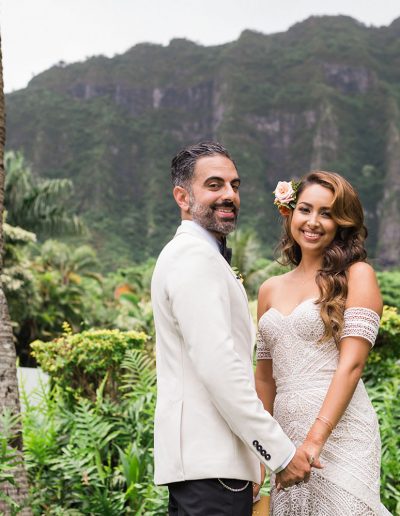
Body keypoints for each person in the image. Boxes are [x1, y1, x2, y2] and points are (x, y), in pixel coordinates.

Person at [151, 142, 319, 516]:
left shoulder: (201, 256)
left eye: (235, 185)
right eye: (214, 185)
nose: (229, 195)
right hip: (211, 470)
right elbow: (221, 368)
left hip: (207, 469)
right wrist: (278, 452)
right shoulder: (193, 258)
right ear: (182, 196)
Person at [255, 171, 391, 515]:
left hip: (342, 433)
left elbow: (352, 365)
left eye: (326, 213)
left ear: (341, 223)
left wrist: (315, 441)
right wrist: (260, 455)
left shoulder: (357, 275)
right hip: (285, 439)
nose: (313, 222)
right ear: (289, 213)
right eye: (305, 209)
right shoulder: (268, 289)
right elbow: (264, 379)